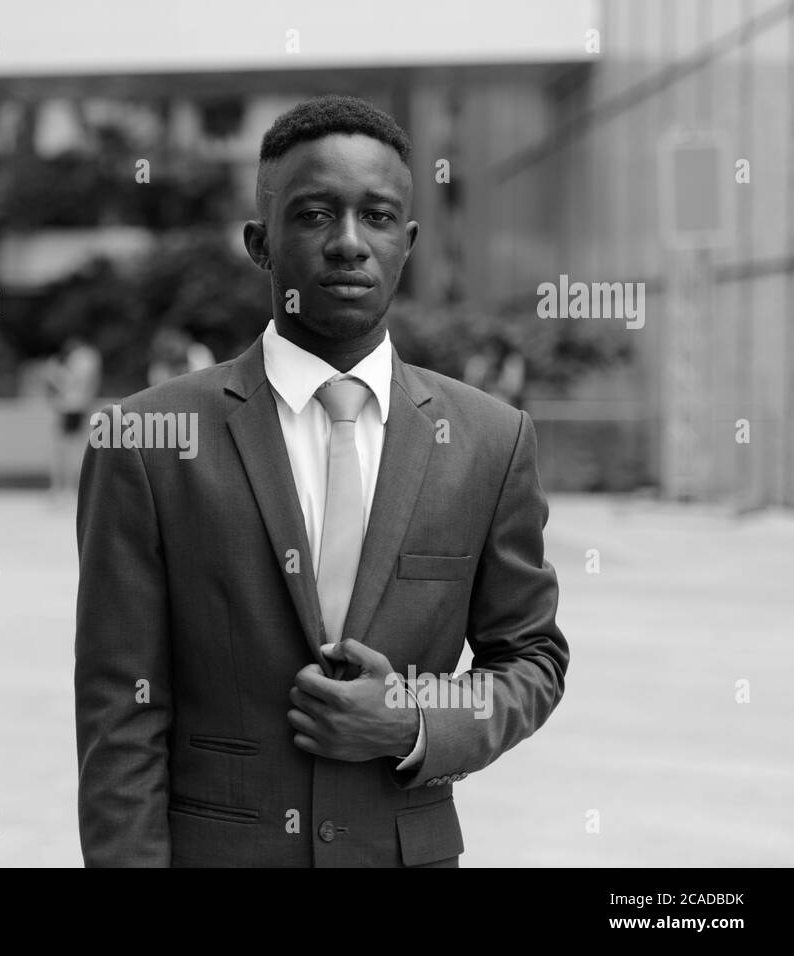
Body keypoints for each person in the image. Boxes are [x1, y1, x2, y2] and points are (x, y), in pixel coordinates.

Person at [74, 96, 568, 867]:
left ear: (406, 243)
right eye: (312, 215)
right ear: (259, 243)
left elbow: (531, 657)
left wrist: (413, 717)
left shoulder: (491, 442)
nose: (348, 243)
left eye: (376, 217)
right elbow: (120, 715)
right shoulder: (145, 441)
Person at [45, 336, 101, 502]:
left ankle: (64, 488)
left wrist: (54, 375)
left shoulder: (81, 357)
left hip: (70, 405)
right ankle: (67, 488)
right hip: (77, 405)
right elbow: (90, 383)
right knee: (71, 448)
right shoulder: (89, 356)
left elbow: (72, 383)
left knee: (64, 448)